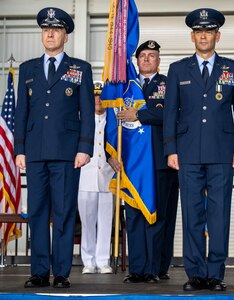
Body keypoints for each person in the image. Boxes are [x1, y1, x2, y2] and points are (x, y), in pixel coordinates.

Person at [163, 8, 234, 292]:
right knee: (192, 214)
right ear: (192, 36)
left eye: (208, 31)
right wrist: (170, 149)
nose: (203, 36)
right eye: (199, 31)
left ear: (217, 35)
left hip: (223, 152)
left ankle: (215, 274)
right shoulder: (177, 70)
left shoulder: (232, 68)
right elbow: (170, 114)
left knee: (219, 213)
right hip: (187, 152)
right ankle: (196, 274)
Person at [14, 7, 95, 288]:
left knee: (63, 212)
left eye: (56, 29)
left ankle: (60, 272)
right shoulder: (28, 69)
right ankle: (38, 271)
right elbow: (21, 113)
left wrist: (85, 148)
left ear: (65, 36)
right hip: (35, 153)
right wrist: (19, 150)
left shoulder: (80, 69)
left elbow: (87, 111)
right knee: (37, 211)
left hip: (66, 153)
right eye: (46, 29)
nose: (50, 33)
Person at [110, 40, 179, 284]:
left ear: (159, 60)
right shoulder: (126, 86)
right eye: (143, 56)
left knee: (159, 217)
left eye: (152, 55)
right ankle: (137, 269)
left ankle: (156, 268)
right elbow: (113, 116)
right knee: (135, 217)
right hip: (131, 163)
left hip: (162, 161)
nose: (147, 59)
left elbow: (172, 113)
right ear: (136, 60)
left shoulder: (169, 84)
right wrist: (112, 153)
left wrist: (138, 114)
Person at [77, 81, 114, 275]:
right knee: (88, 222)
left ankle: (103, 260)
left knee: (106, 221)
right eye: (95, 96)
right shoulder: (82, 121)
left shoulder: (114, 121)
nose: (98, 100)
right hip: (86, 177)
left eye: (101, 96)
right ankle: (88, 260)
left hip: (108, 178)